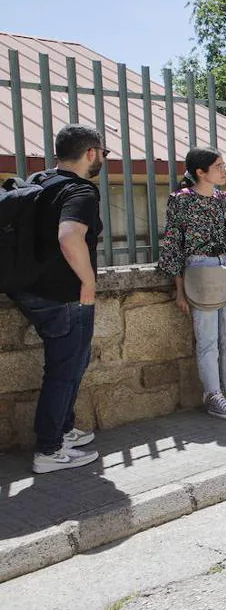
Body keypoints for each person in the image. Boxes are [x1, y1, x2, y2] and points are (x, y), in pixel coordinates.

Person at [11, 125, 106, 473]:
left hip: (29, 289)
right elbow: (69, 236)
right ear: (91, 153)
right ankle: (49, 450)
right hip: (64, 295)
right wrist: (88, 281)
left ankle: (63, 431)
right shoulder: (81, 191)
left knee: (66, 367)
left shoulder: (41, 182)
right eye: (103, 153)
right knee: (65, 371)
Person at [158, 147, 226, 419]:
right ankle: (213, 395)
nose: (224, 170)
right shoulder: (180, 200)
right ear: (200, 172)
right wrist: (179, 290)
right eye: (218, 166)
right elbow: (172, 246)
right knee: (207, 340)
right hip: (198, 269)